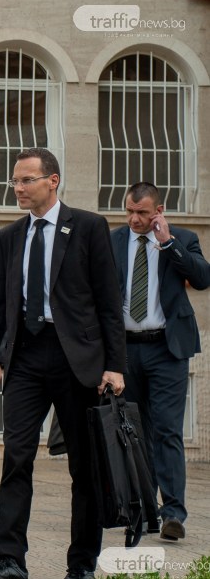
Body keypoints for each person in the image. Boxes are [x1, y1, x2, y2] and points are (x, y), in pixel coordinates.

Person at [0, 147, 126, 579]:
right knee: (16, 457)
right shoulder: (10, 236)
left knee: (85, 467)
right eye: (15, 181)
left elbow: (110, 304)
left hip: (80, 361)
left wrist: (115, 366)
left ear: (52, 181)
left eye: (26, 180)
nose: (18, 188)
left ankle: (81, 566)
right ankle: (11, 560)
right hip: (27, 358)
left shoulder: (89, 228)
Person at [111, 182, 210, 541]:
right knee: (134, 432)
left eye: (142, 212)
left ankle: (173, 513)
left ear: (159, 210)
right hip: (125, 350)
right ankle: (143, 509)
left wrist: (169, 245)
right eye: (129, 211)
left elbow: (202, 278)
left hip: (167, 349)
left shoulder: (180, 237)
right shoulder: (114, 241)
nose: (135, 219)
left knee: (167, 429)